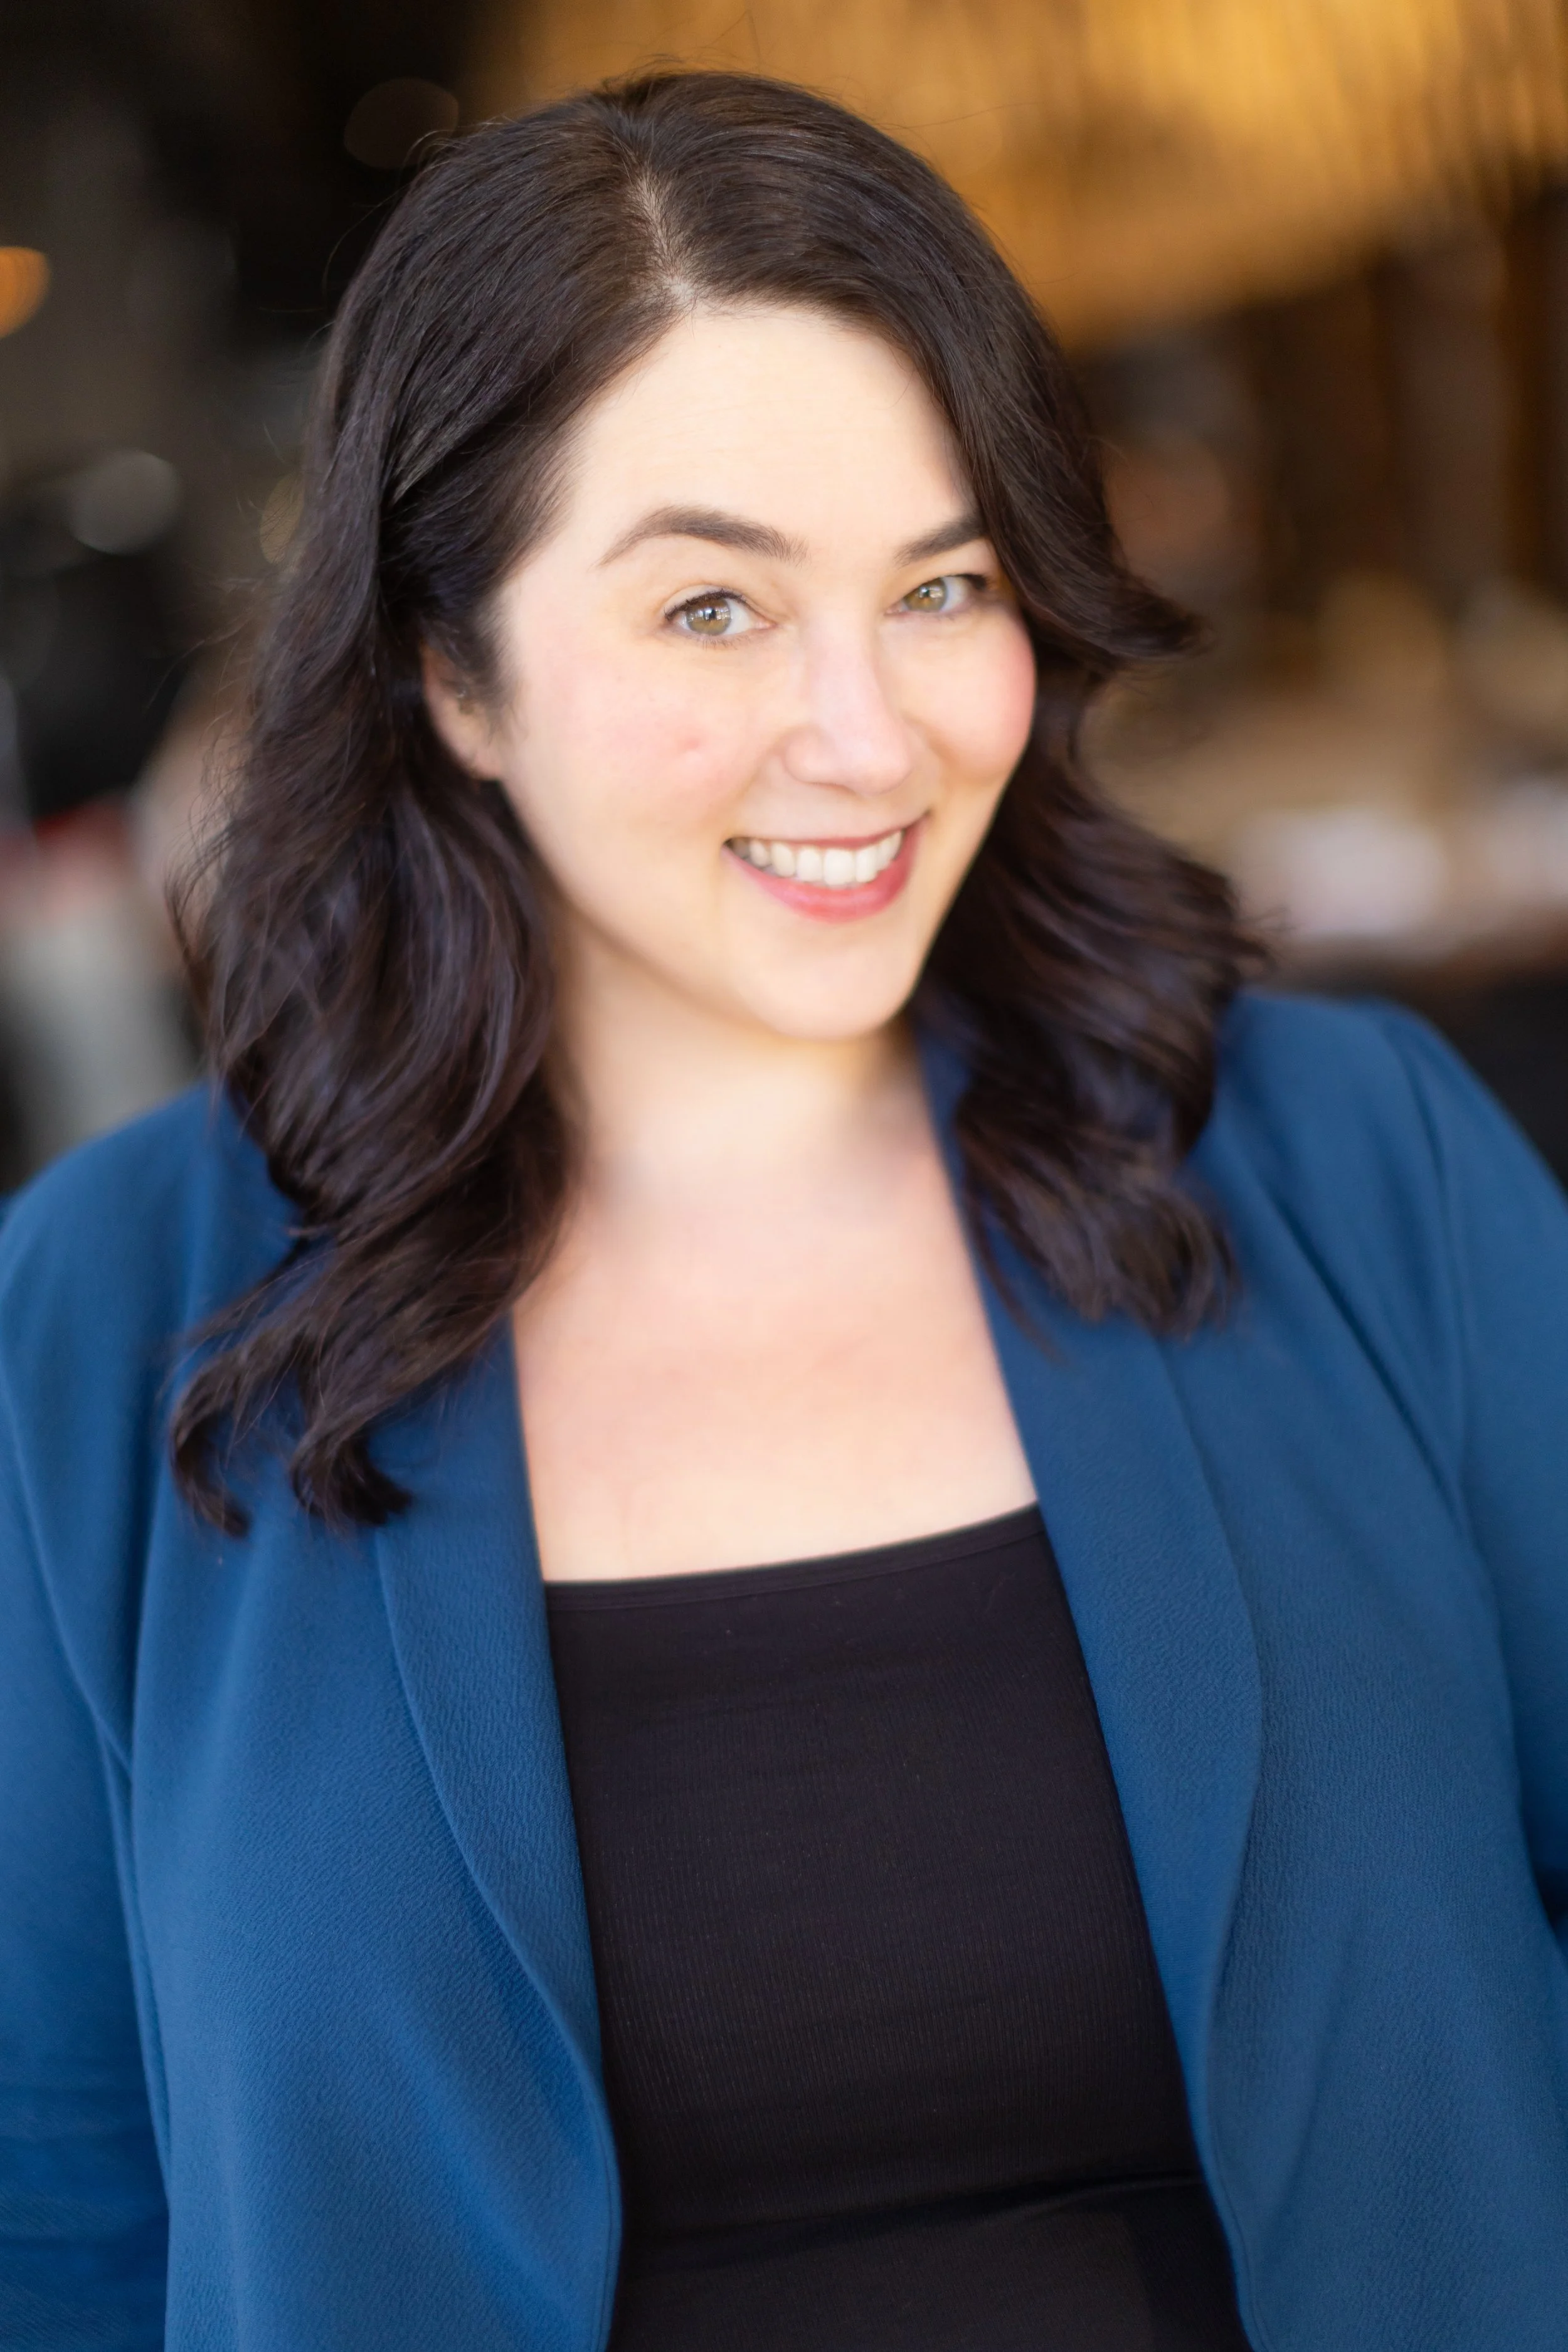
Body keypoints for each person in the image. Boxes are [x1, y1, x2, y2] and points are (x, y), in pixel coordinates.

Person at [1, 68, 1565, 2352]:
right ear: (455, 674)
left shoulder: (1346, 1166)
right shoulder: (107, 1312)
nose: (869, 731)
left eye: (941, 585)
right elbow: (49, 2202)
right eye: (714, 612)